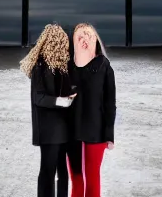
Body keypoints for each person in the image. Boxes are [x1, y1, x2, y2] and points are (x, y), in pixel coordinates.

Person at [20, 23, 77, 197]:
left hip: (60, 128)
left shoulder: (63, 66)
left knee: (57, 171)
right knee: (51, 171)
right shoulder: (41, 67)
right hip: (51, 130)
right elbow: (39, 98)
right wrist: (63, 102)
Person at [66, 23, 116, 197]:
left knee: (92, 177)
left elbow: (110, 103)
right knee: (77, 178)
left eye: (88, 35)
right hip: (71, 132)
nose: (84, 39)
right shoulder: (68, 68)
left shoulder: (104, 67)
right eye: (80, 36)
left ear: (95, 40)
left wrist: (109, 134)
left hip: (97, 132)